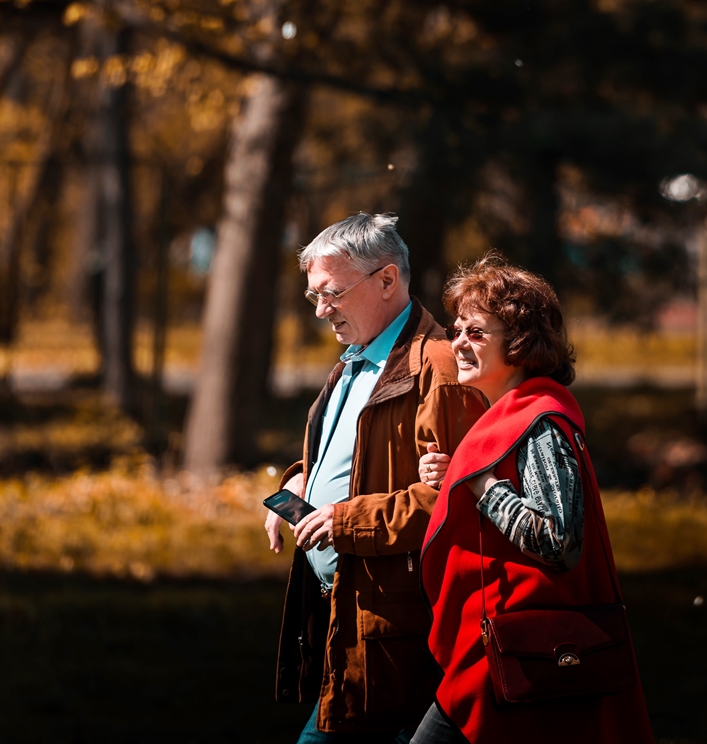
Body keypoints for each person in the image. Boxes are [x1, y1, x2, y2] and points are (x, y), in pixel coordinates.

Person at [410, 254, 654, 744]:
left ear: (520, 344)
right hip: (508, 648)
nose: (457, 342)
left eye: (476, 332)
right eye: (456, 329)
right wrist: (460, 474)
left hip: (519, 653)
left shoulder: (539, 423)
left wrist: (479, 483)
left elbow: (558, 540)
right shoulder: (515, 418)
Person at [265, 214, 488, 743]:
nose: (321, 310)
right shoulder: (354, 360)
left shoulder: (438, 363)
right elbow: (350, 456)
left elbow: (455, 498)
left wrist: (343, 520)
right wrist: (299, 483)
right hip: (346, 616)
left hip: (397, 628)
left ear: (387, 280)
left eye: (333, 293)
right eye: (313, 295)